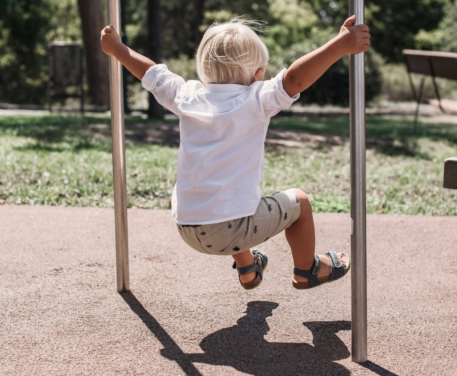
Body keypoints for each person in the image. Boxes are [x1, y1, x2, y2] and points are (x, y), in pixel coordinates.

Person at [101, 16, 371, 290]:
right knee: (299, 202)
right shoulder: (256, 98)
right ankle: (308, 269)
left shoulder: (187, 95)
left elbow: (150, 73)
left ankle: (248, 266)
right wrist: (339, 45)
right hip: (230, 229)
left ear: (204, 69)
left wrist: (117, 48)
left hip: (186, 225)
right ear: (257, 74)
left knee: (223, 196)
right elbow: (295, 78)